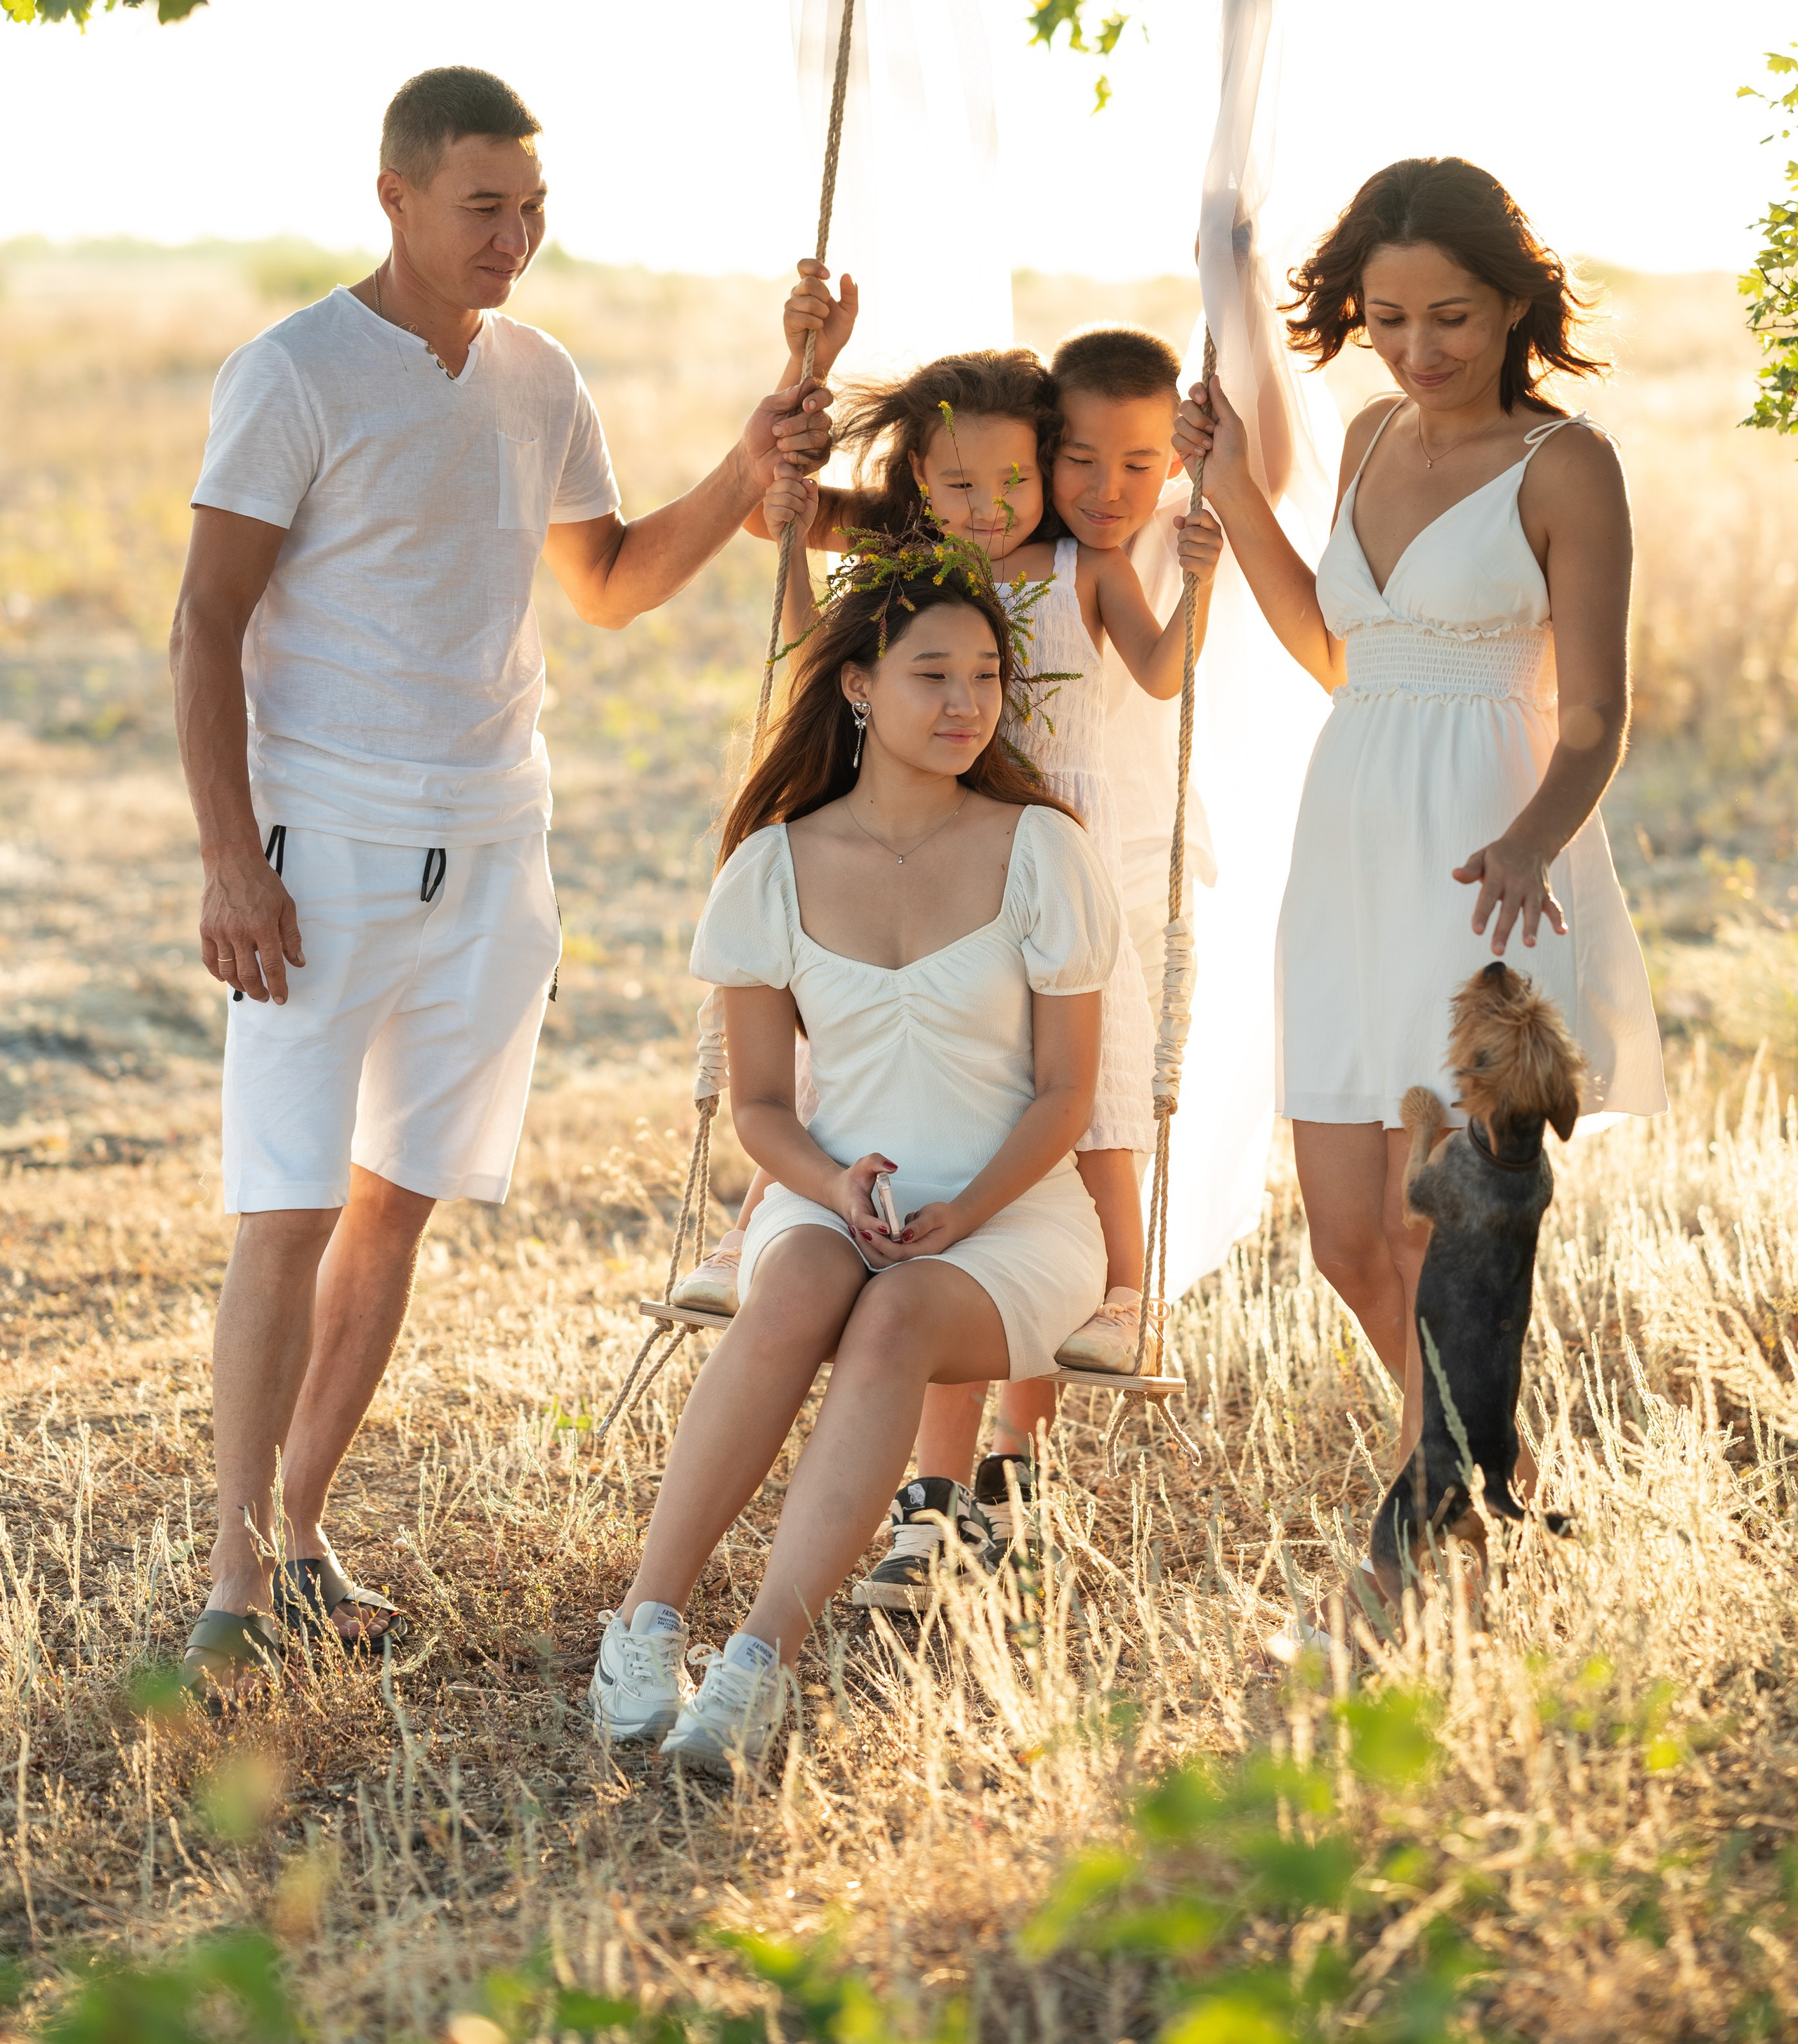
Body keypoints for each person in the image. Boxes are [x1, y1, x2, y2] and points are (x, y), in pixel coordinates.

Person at [167, 64, 828, 1696]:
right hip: (319, 851)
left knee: (393, 1205)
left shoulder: (541, 376)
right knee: (286, 1210)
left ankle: (300, 1536)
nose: (513, 240)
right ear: (393, 196)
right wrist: (231, 861)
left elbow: (605, 581)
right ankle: (232, 1583)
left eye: (532, 210)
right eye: (483, 208)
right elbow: (204, 623)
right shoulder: (294, 370)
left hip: (496, 851)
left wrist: (745, 465)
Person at [1178, 156, 1666, 1503]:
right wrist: (1232, 492)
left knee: (1436, 1231)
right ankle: (1486, 1469)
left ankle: (1428, 1531)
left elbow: (1598, 714)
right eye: (1387, 319)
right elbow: (1345, 658)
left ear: (1512, 303)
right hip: (1346, 851)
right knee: (1348, 1242)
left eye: (1448, 316)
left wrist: (1531, 840)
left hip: (1482, 859)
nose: (1416, 349)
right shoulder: (1370, 439)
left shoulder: (1569, 466)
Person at [589, 548, 1122, 1770]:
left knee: (896, 1322)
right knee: (799, 1287)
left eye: (986, 675)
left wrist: (963, 1210)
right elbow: (761, 1107)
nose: (966, 702)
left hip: (1011, 1214)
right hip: (831, 1192)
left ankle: (758, 1661)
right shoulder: (772, 866)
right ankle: (644, 1624)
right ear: (861, 688)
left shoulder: (1042, 849)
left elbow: (1067, 1094)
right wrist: (831, 1186)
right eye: (933, 674)